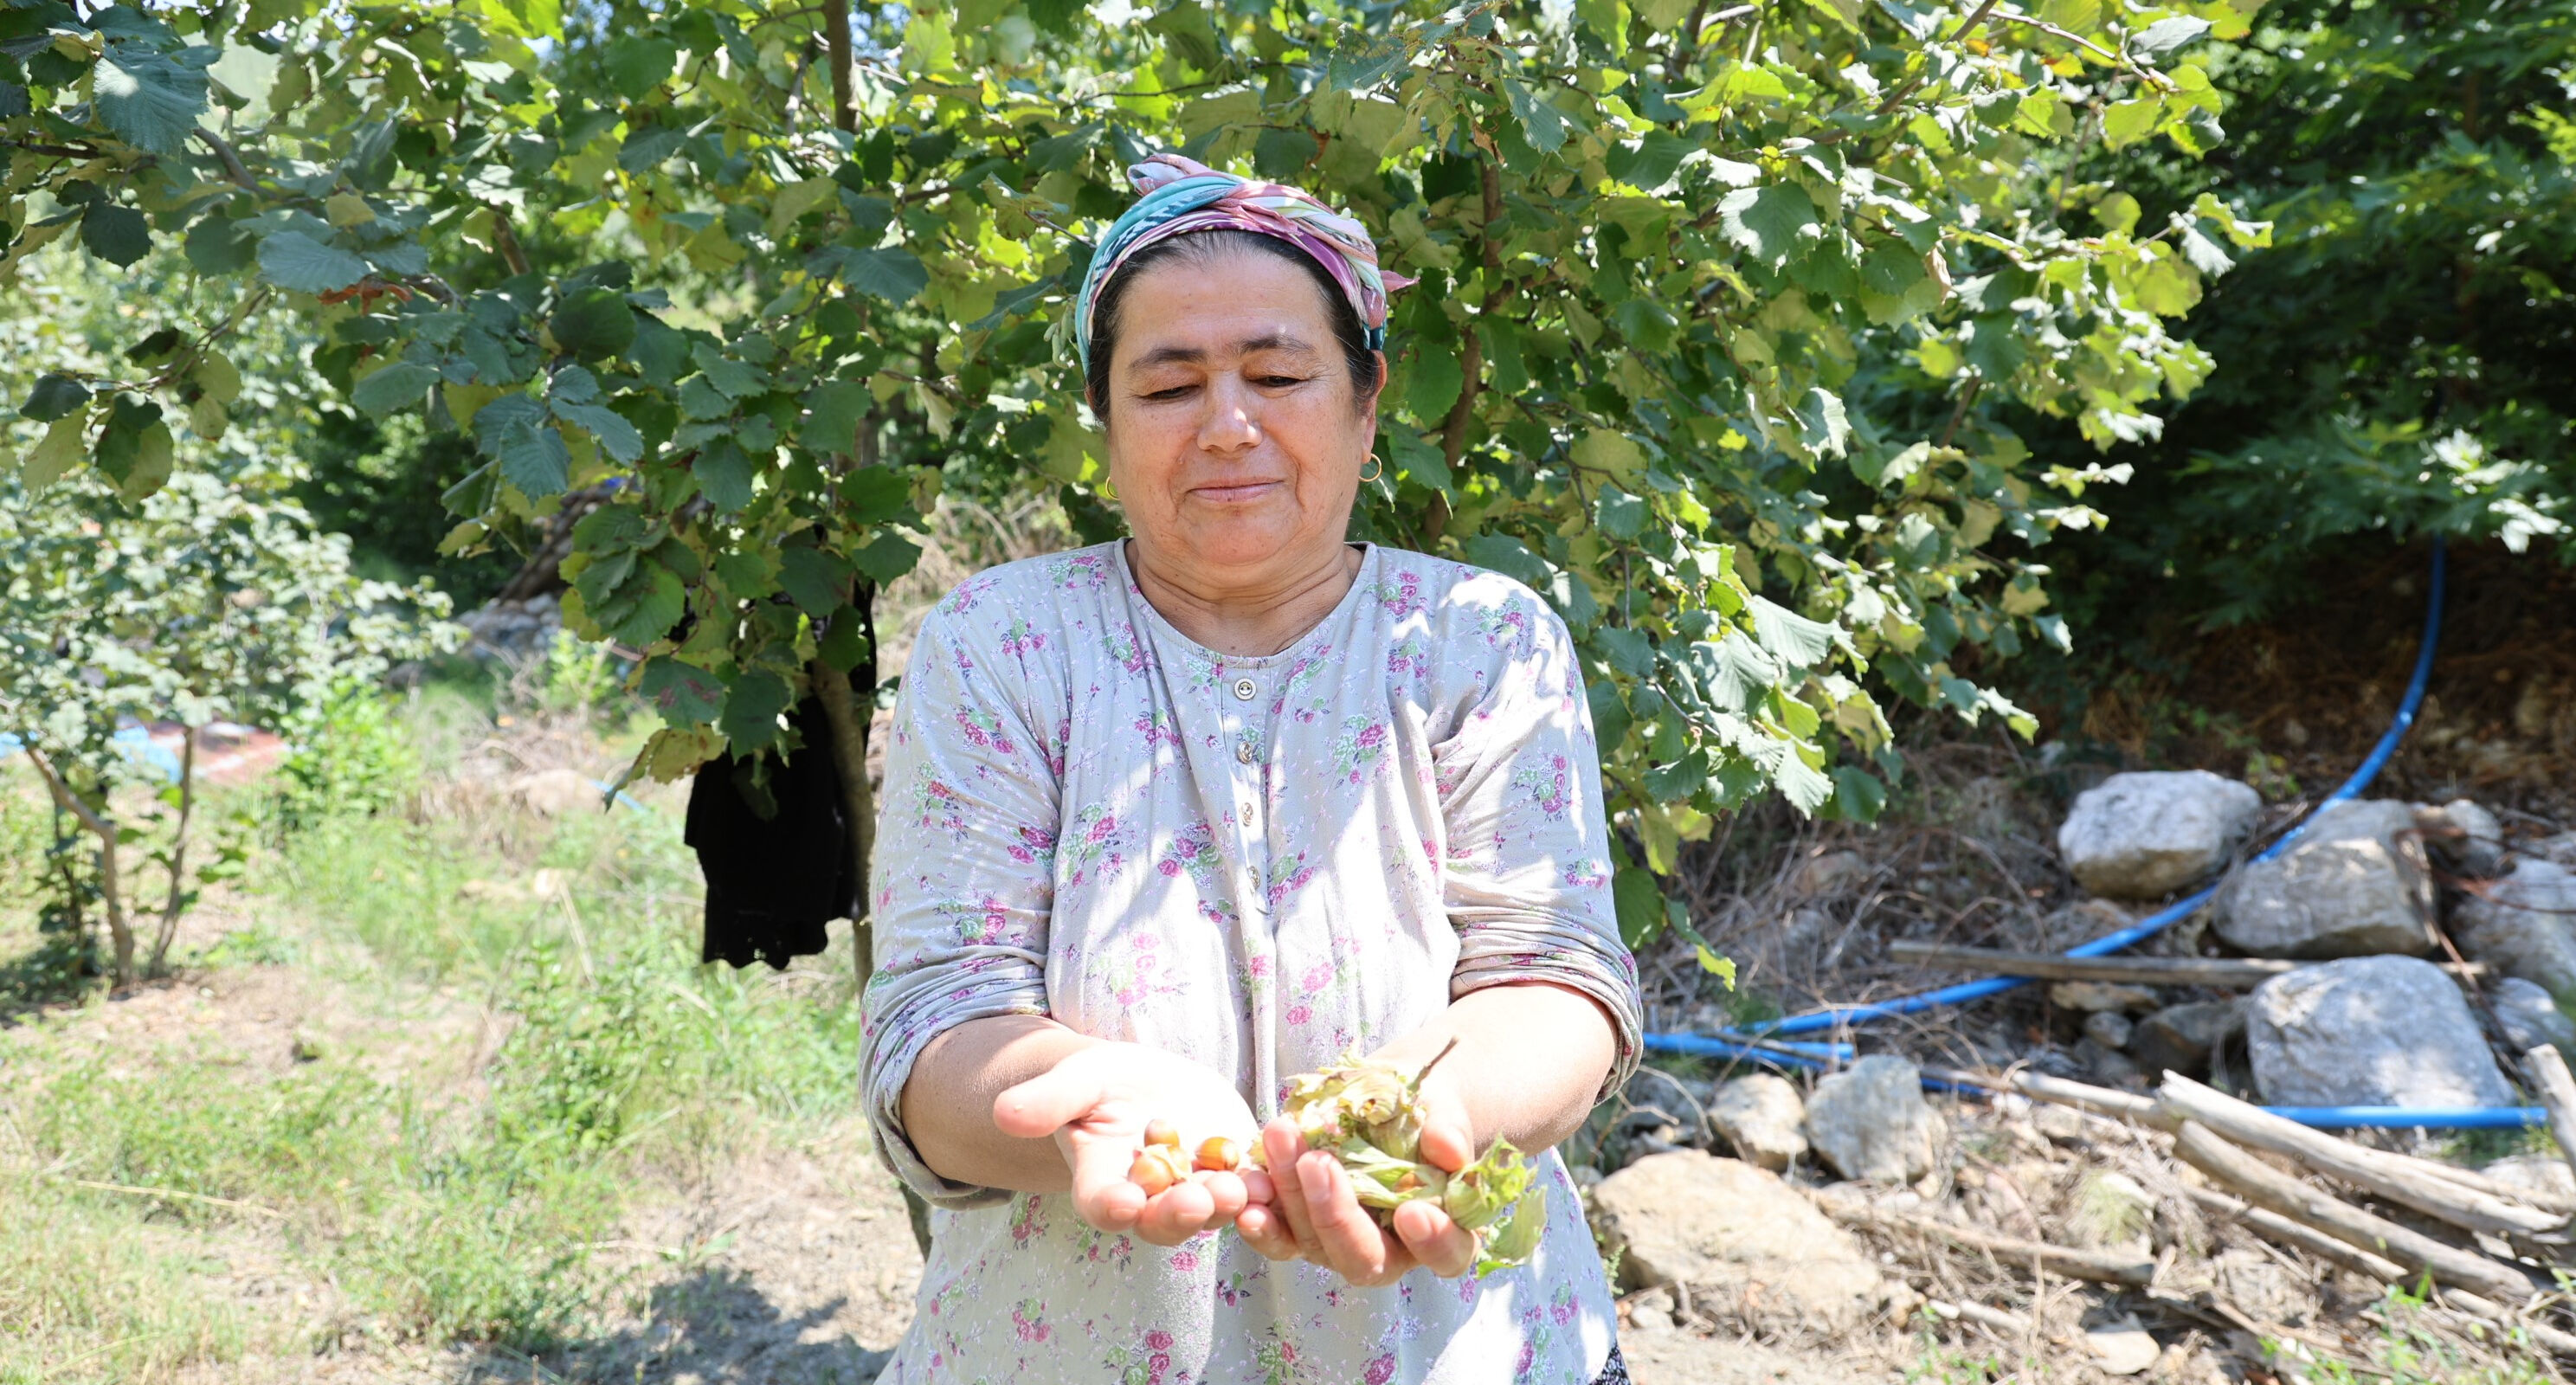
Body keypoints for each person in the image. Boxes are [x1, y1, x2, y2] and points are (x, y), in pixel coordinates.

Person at [860, 152, 1641, 1384]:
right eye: (1169, 386)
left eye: (1278, 374)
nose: (1230, 424)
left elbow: (1556, 980)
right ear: (1105, 423)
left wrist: (1421, 1116)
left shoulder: (1479, 641)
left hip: (1470, 1345)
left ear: (1367, 400)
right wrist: (1086, 1097)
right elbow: (935, 1025)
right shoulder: (1005, 646)